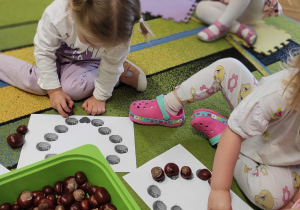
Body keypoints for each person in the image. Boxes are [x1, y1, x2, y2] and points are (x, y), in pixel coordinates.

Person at [129, 52, 300, 209]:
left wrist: (293, 202)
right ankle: (170, 105)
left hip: (284, 160)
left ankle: (223, 135)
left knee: (269, 198)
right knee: (227, 68)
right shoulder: (279, 92)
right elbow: (236, 132)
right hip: (259, 117)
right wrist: (219, 190)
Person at [0, 0, 153, 118]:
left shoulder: (120, 28)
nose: (97, 46)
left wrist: (100, 97)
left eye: (103, 45)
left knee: (73, 90)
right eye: (90, 40)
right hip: (57, 56)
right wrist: (53, 91)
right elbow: (44, 52)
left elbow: (111, 62)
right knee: (38, 84)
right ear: (74, 9)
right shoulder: (57, 16)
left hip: (91, 62)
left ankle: (119, 71)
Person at [195, 0, 282, 45]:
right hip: (230, 10)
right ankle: (238, 28)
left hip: (253, 8)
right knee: (201, 7)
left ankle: (222, 25)